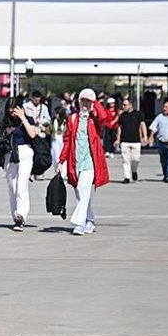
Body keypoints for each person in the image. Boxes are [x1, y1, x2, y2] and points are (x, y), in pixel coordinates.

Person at [58, 88, 109, 236]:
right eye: (83, 100)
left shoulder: (94, 119)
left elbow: (104, 117)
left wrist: (95, 102)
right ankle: (90, 220)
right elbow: (67, 141)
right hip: (75, 162)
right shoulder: (73, 119)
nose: (85, 103)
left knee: (83, 189)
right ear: (79, 102)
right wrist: (62, 161)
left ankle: (79, 223)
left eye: (88, 101)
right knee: (80, 194)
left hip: (90, 161)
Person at [0, 97, 37, 232]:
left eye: (15, 110)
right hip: (10, 154)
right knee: (12, 187)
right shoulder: (5, 121)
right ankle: (15, 215)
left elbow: (32, 134)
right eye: (11, 110)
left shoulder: (28, 119)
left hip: (25, 153)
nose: (13, 113)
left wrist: (23, 118)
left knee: (21, 185)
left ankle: (21, 216)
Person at [115, 98, 147, 183]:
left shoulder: (138, 114)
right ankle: (127, 177)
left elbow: (142, 125)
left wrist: (145, 136)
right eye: (123, 105)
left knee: (136, 159)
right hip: (124, 141)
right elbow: (119, 128)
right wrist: (118, 139)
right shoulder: (122, 116)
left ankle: (134, 171)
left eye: (125, 105)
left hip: (136, 140)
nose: (123, 106)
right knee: (126, 160)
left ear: (130, 105)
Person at [48, 107, 68, 178]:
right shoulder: (53, 121)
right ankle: (57, 172)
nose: (56, 115)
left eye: (57, 114)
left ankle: (63, 173)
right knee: (55, 157)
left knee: (63, 157)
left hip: (63, 141)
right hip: (55, 140)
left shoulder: (66, 122)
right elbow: (49, 130)